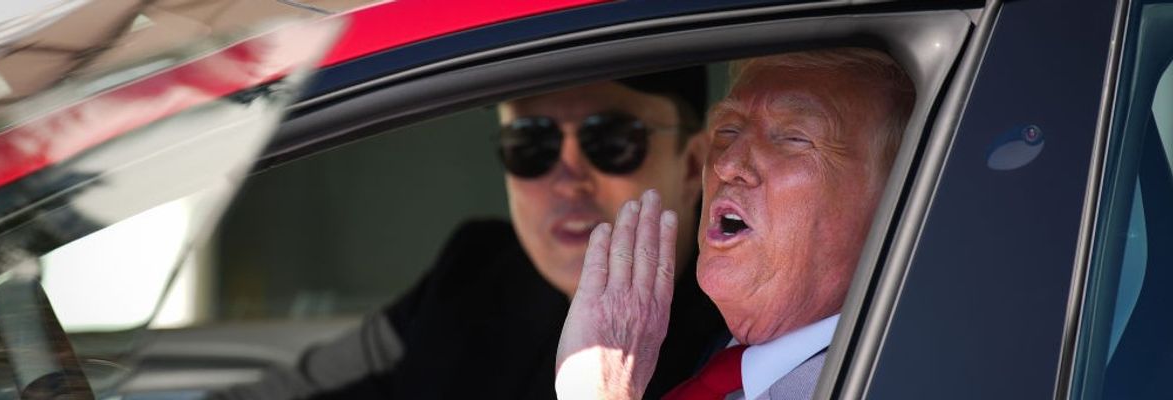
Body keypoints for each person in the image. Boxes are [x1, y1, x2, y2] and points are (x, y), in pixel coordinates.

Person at [212, 67, 727, 400]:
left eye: (611, 140)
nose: (568, 177)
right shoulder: (475, 270)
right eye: (530, 142)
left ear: (692, 165)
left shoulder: (735, 335)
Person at [553, 48, 915, 400]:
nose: (727, 164)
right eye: (727, 131)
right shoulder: (721, 362)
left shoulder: (900, 381)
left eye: (793, 138)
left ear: (898, 195)